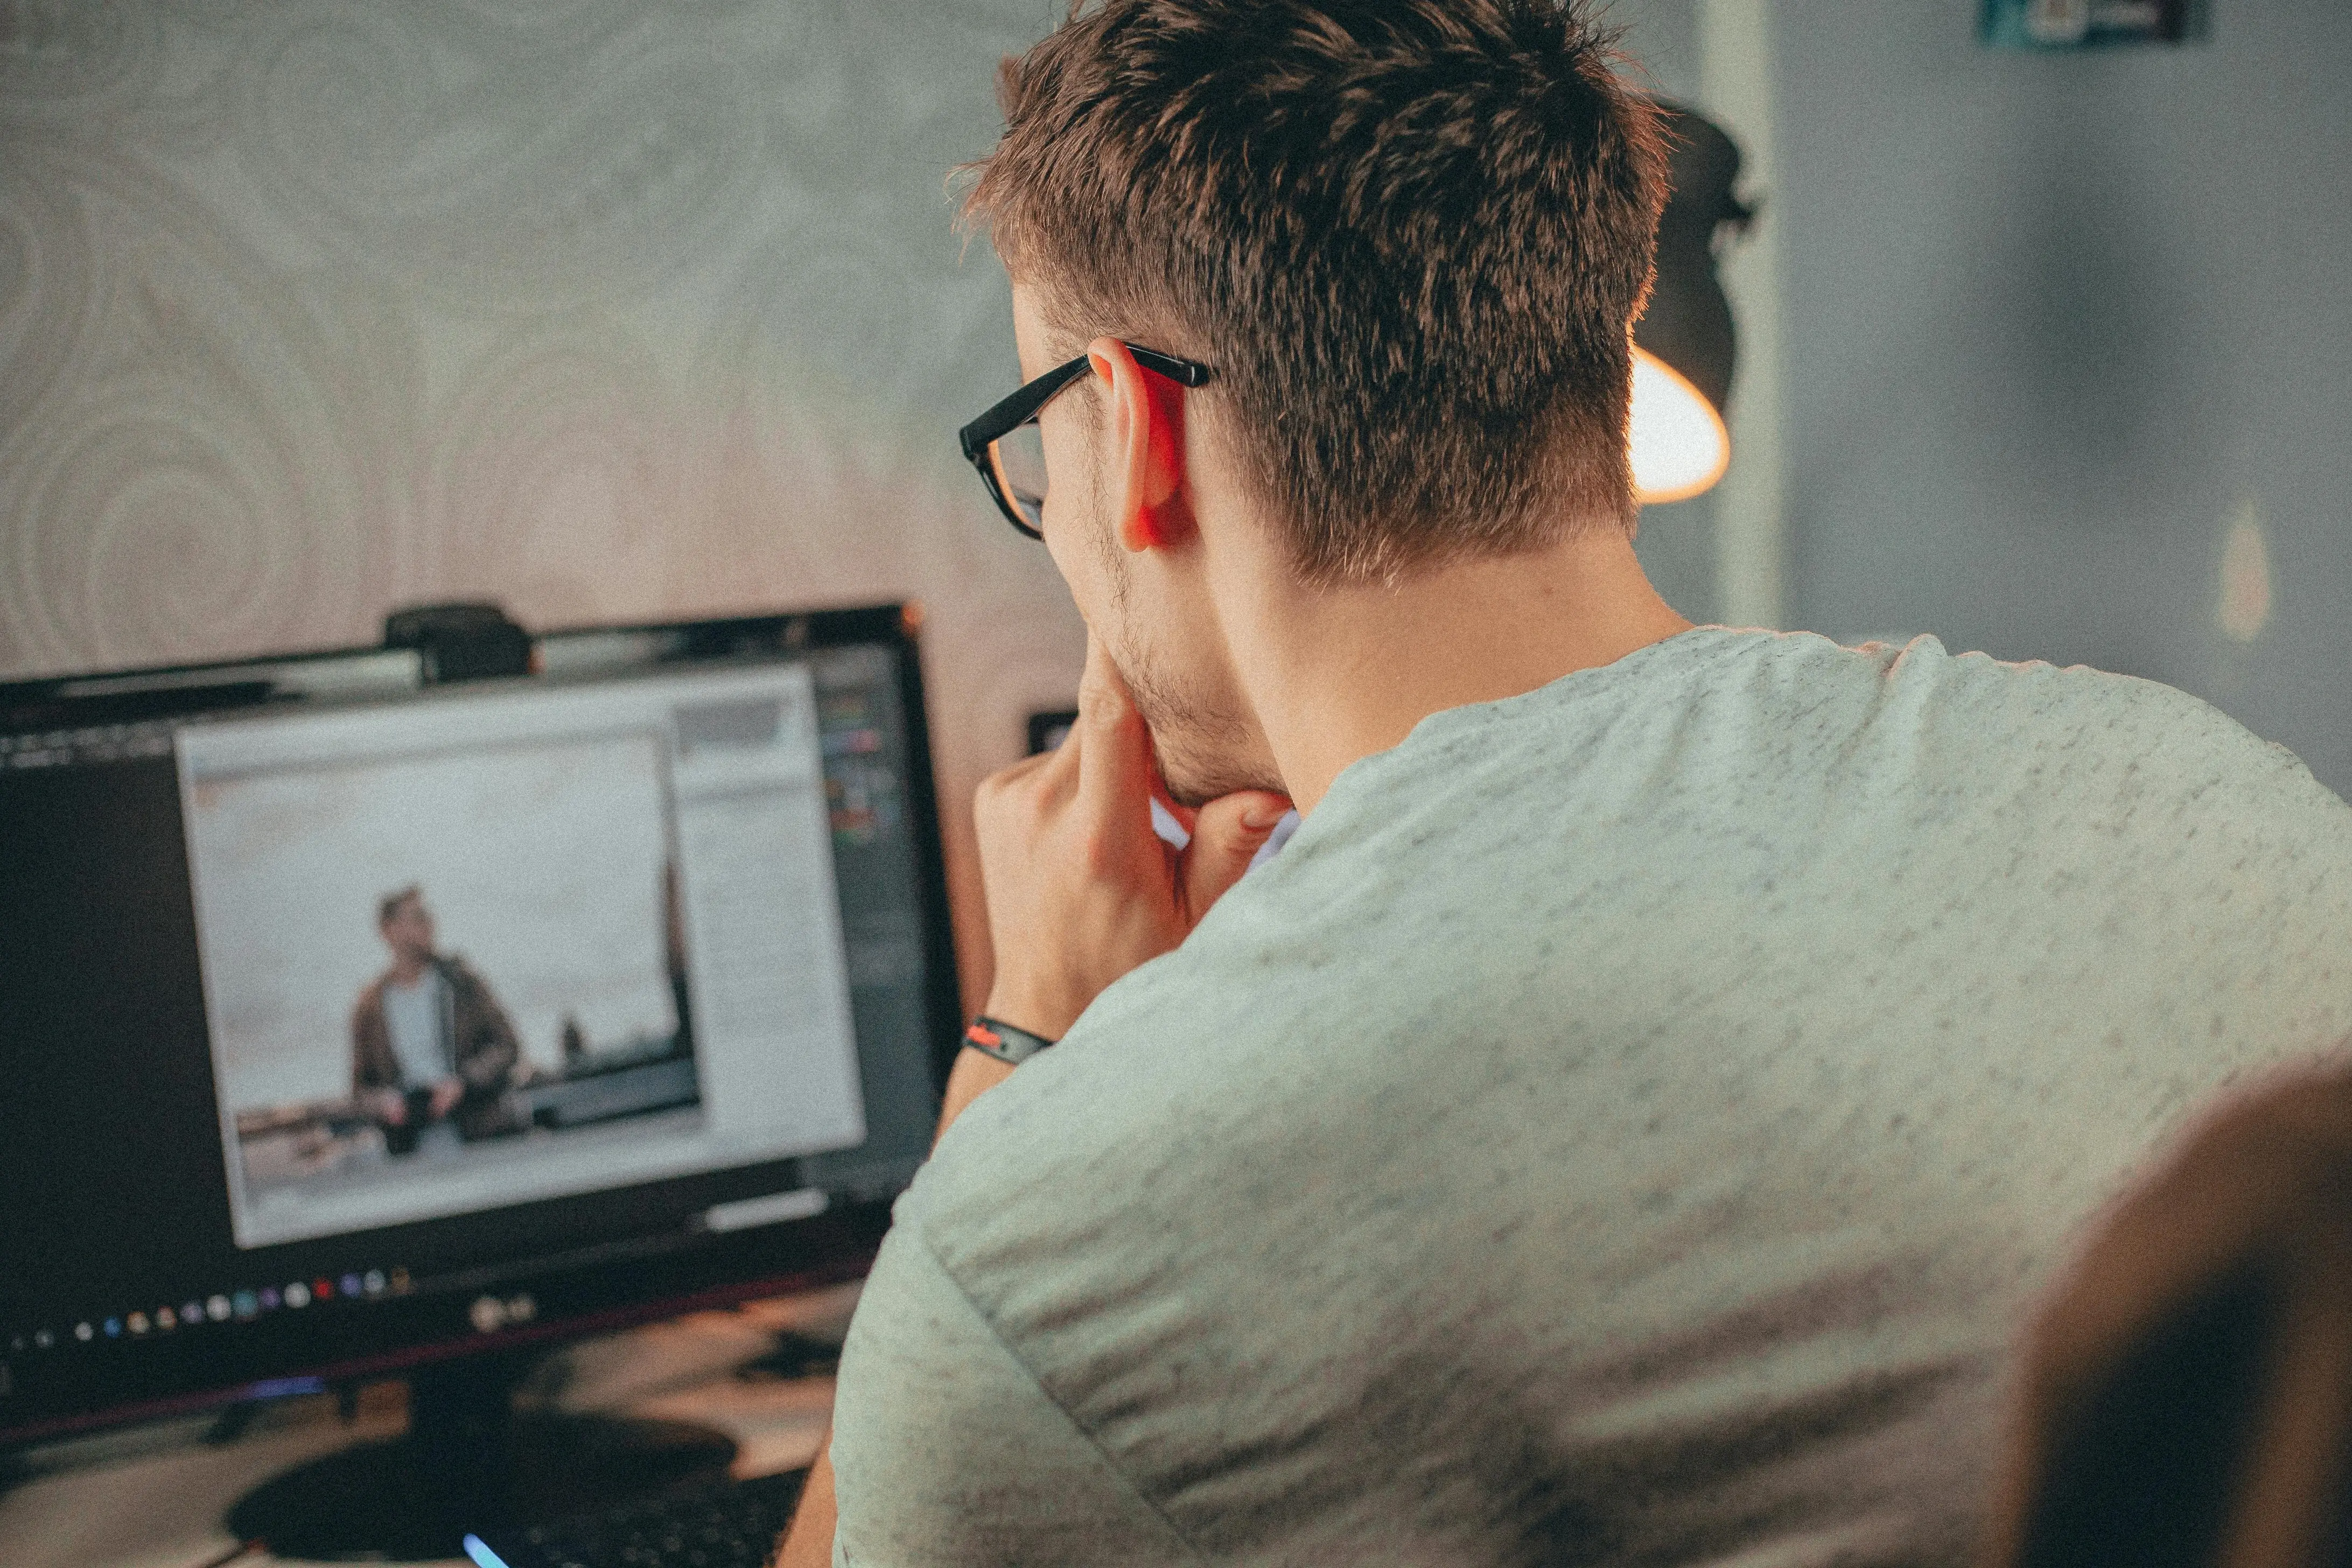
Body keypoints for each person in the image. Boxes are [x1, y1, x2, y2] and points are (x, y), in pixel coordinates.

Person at [781, 2, 2352, 1562]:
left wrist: (1026, 1040)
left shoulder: (1050, 1246)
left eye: (1039, 446)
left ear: (1130, 431)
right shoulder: (2219, 796)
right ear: (1589, 343)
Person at [351, 886, 521, 1155]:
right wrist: (385, 1102)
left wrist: (462, 1083)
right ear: (389, 930)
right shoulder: (371, 1006)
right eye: (418, 918)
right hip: (409, 1136)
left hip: (476, 1124)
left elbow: (507, 1047)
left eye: (429, 917)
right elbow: (361, 1088)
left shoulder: (461, 983)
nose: (430, 925)